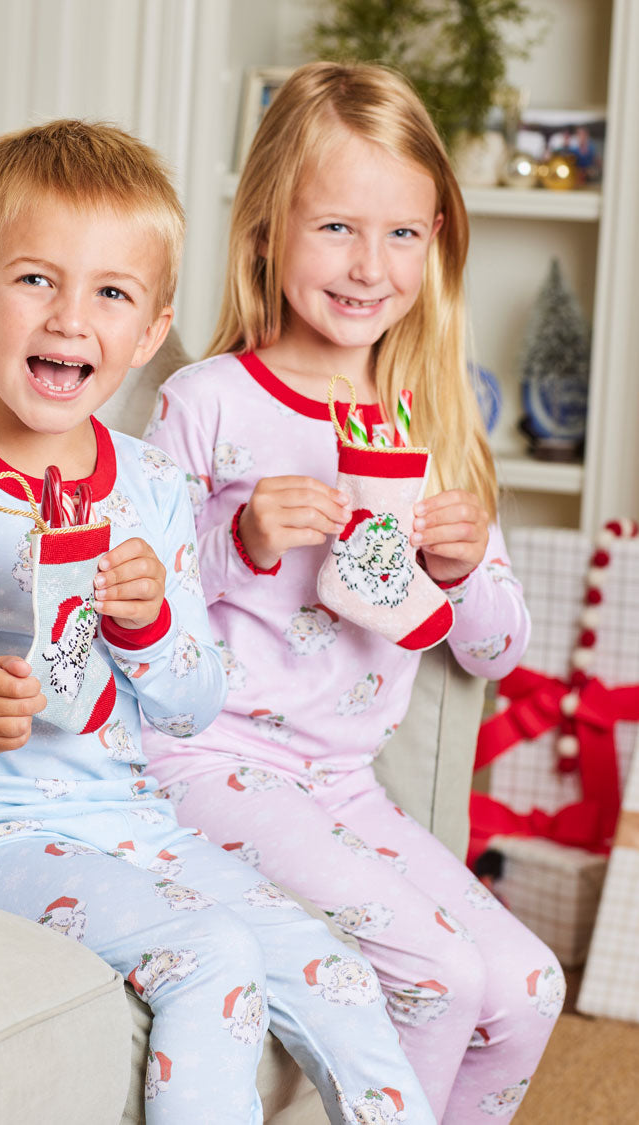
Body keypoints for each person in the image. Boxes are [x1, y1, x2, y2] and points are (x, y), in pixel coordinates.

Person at [0, 119, 436, 1124]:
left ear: (148, 333)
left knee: (340, 974)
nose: (70, 319)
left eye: (111, 293)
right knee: (213, 955)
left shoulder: (151, 489)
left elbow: (192, 703)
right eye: (35, 280)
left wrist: (146, 630)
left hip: (137, 824)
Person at [143, 62, 564, 1123]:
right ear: (267, 230)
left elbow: (497, 650)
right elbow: (131, 605)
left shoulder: (432, 421)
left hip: (343, 783)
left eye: (402, 234)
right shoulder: (208, 402)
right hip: (207, 761)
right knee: (440, 973)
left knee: (526, 987)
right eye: (336, 227)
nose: (370, 266)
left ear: (437, 240)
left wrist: (461, 571)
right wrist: (240, 539)